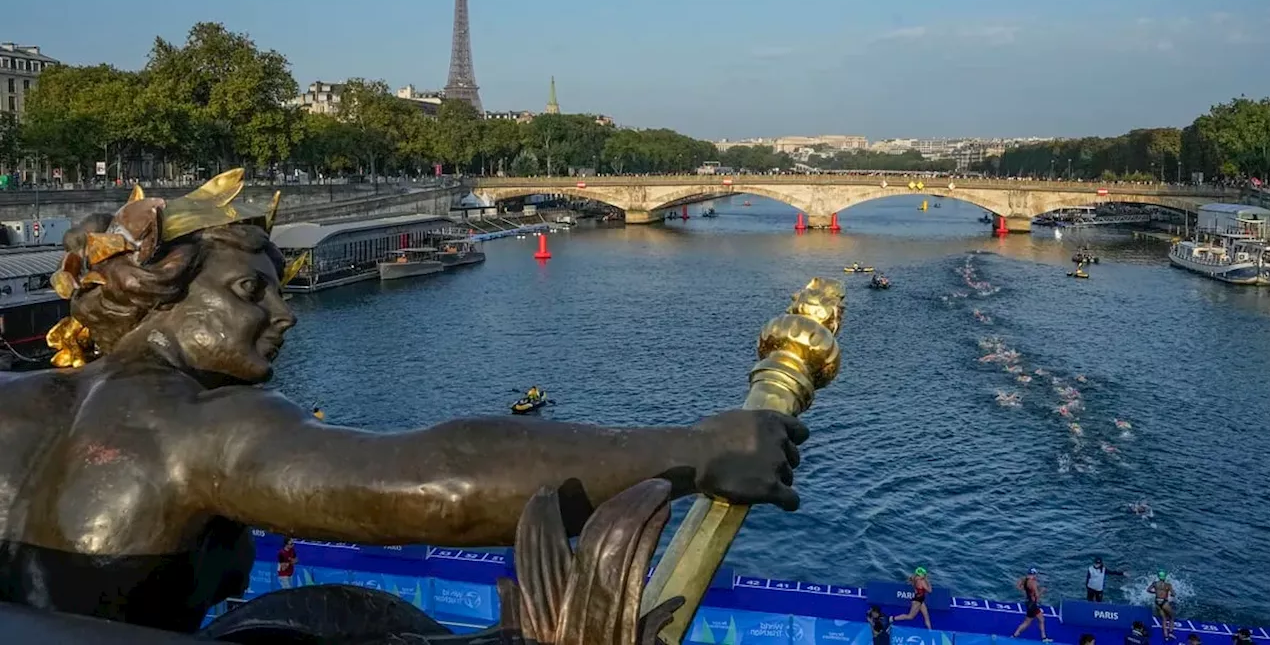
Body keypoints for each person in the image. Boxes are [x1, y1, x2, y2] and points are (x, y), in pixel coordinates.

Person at [0, 174, 809, 635]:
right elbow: (438, 481)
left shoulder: (18, 401)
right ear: (161, 298)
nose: (283, 316)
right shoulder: (197, 427)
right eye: (252, 291)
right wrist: (700, 452)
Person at [1012, 568, 1050, 642]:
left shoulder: (1024, 580)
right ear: (1034, 574)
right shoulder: (1033, 583)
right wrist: (1042, 591)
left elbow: (1018, 586)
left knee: (1039, 620)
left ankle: (1044, 637)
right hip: (1033, 605)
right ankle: (1015, 635)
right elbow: (1037, 595)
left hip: (1028, 603)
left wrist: (1025, 591)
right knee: (1029, 622)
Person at [1148, 571, 1176, 640]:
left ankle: (1166, 636)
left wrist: (1155, 592)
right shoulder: (1168, 585)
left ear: (1158, 577)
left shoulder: (1154, 583)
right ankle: (1171, 632)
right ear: (1165, 577)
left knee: (1164, 619)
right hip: (1164, 602)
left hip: (1157, 602)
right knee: (1172, 616)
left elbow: (1148, 590)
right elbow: (1174, 594)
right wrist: (1170, 594)